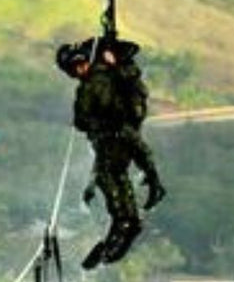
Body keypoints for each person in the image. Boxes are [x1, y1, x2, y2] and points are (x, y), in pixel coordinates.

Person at [57, 37, 165, 268]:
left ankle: (124, 221)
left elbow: (89, 114)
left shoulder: (97, 80)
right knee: (116, 177)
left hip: (113, 137)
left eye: (76, 67)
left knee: (109, 177)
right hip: (111, 139)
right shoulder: (102, 77)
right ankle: (126, 221)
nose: (77, 72)